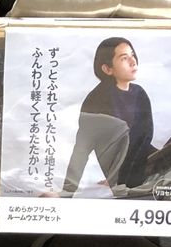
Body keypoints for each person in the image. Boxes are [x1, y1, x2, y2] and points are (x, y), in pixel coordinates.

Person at [61, 37, 154, 195]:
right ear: (107, 69)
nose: (133, 62)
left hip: (143, 161)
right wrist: (67, 190)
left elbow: (145, 138)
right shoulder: (95, 100)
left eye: (132, 55)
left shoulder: (140, 93)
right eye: (124, 58)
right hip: (121, 174)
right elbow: (82, 149)